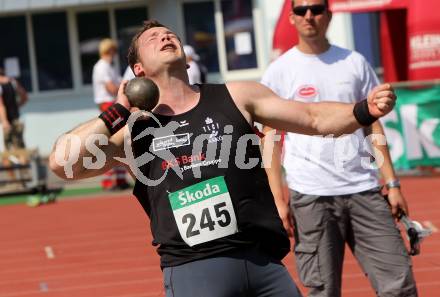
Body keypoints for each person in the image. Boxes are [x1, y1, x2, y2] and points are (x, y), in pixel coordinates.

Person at [49, 20, 396, 297]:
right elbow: (64, 164)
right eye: (153, 38)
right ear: (138, 69)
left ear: (186, 58)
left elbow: (313, 118)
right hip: (193, 269)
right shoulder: (135, 131)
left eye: (170, 34)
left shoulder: (237, 95)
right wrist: (117, 112)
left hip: (262, 263)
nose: (166, 36)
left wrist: (363, 110)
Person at [261, 1, 418, 297]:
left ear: (329, 15)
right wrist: (277, 199)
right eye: (302, 10)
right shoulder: (278, 72)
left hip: (365, 191)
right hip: (311, 197)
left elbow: (374, 124)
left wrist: (393, 183)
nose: (310, 15)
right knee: (322, 291)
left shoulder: (355, 62)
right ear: (292, 18)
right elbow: (270, 138)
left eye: (317, 8)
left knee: (399, 285)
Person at [92, 38, 130, 190]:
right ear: (110, 51)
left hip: (111, 104)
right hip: (108, 104)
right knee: (112, 142)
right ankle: (108, 181)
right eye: (113, 50)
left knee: (121, 141)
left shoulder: (108, 66)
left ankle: (120, 179)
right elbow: (111, 89)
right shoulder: (102, 67)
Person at [0, 67, 28, 150]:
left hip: (7, 121)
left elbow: (1, 105)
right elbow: (24, 97)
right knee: (20, 146)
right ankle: (24, 163)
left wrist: (4, 121)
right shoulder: (13, 82)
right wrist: (17, 106)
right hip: (16, 118)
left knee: (8, 148)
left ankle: (10, 163)